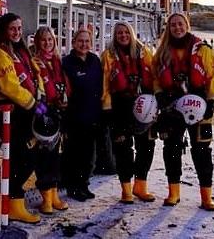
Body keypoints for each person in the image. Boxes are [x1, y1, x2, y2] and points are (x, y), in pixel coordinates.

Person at [0, 13, 46, 224]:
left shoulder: (20, 52)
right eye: (12, 28)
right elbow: (9, 86)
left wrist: (41, 99)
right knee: (23, 158)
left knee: (27, 157)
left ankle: (0, 199)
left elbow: (36, 76)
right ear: (3, 30)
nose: (17, 32)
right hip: (10, 111)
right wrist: (34, 105)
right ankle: (10, 203)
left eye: (19, 28)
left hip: (26, 110)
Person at [152, 12, 214, 211]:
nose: (177, 28)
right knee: (171, 149)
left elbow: (213, 75)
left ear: (187, 25)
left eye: (180, 24)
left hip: (199, 105)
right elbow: (156, 77)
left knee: (202, 151)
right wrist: (158, 94)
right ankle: (173, 193)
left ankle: (206, 197)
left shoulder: (202, 49)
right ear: (168, 28)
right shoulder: (162, 51)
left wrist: (212, 101)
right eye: (173, 25)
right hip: (172, 106)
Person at [101, 21, 156, 204]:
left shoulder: (144, 52)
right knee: (123, 149)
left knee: (146, 147)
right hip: (120, 106)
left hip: (144, 104)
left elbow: (154, 78)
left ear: (131, 34)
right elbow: (105, 84)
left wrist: (157, 103)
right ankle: (126, 189)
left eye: (126, 32)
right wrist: (107, 108)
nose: (123, 36)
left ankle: (141, 185)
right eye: (119, 33)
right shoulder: (108, 56)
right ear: (114, 36)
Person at [61, 28, 103, 202]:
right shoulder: (67, 62)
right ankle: (73, 187)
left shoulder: (94, 60)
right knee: (74, 155)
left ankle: (84, 184)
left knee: (89, 155)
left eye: (87, 41)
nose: (84, 44)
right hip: (74, 116)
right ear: (73, 43)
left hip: (93, 115)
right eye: (80, 41)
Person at [31, 26, 69, 214]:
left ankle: (54, 195)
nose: (47, 43)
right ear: (37, 42)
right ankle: (46, 197)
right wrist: (43, 114)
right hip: (42, 111)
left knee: (55, 156)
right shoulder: (34, 62)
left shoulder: (57, 62)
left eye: (50, 40)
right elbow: (35, 91)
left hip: (57, 111)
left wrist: (63, 101)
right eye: (43, 40)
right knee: (43, 156)